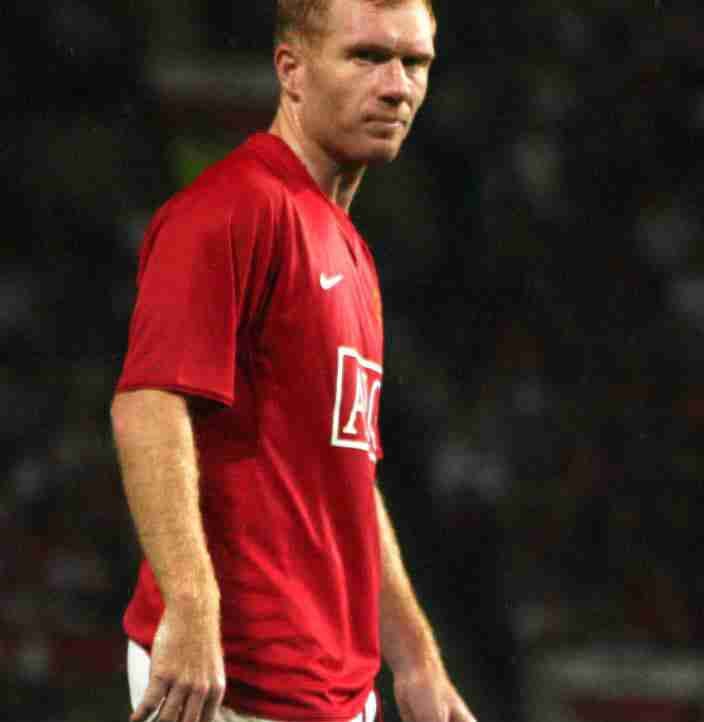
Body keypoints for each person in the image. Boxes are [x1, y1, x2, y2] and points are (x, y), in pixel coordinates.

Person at [111, 2, 476, 722]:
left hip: (337, 690)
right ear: (292, 70)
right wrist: (190, 605)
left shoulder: (348, 247)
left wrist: (416, 659)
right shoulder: (232, 208)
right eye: (367, 57)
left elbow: (346, 478)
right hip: (233, 685)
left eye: (415, 63)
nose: (397, 87)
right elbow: (149, 404)